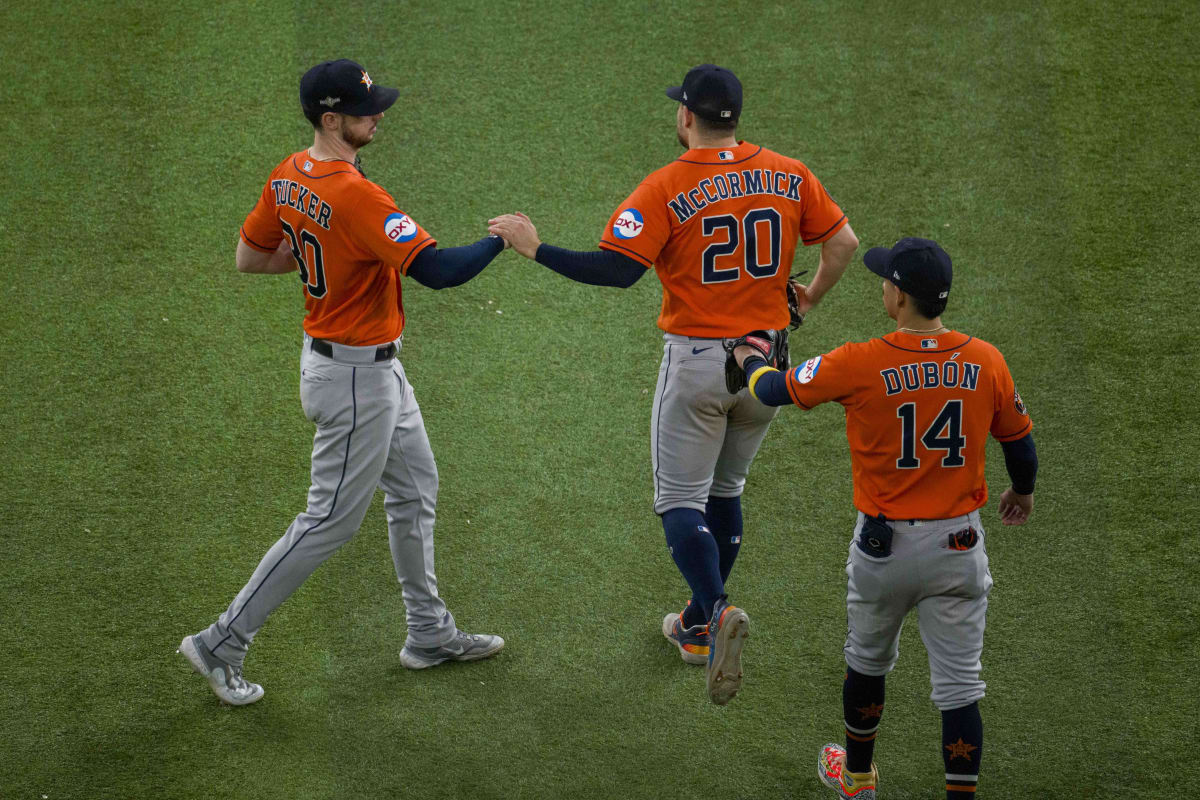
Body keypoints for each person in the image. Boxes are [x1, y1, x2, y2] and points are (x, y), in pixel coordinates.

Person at [488, 64, 858, 705]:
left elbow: (614, 271)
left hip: (696, 366)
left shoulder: (666, 185)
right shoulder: (791, 174)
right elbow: (843, 242)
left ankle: (715, 615)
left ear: (686, 116)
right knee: (727, 488)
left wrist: (534, 248)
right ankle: (693, 624)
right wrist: (810, 297)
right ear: (734, 116)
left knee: (679, 502)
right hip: (766, 367)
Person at [177, 59, 505, 706]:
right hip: (355, 380)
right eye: (364, 109)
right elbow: (438, 271)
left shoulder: (290, 175)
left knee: (415, 490)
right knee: (326, 520)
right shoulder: (355, 194)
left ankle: (428, 633)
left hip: (354, 365)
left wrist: (321, 257)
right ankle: (221, 640)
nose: (377, 113)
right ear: (331, 120)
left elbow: (250, 256)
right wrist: (503, 241)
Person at [730, 237, 1038, 799]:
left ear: (898, 296)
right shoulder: (985, 359)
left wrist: (750, 355)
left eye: (885, 280)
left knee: (868, 665)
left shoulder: (861, 361)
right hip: (958, 547)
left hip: (882, 550)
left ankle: (858, 778)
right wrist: (1023, 491)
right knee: (960, 689)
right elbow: (1021, 443)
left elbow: (773, 388)